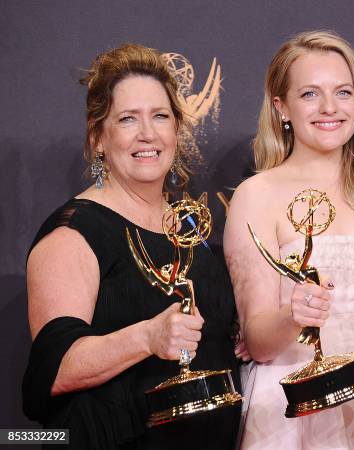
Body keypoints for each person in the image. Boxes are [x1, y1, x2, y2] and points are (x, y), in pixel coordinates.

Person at [23, 43, 241, 449]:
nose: (148, 134)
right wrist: (147, 337)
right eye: (127, 119)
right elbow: (49, 372)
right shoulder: (73, 234)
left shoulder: (187, 226)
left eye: (160, 116)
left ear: (176, 129)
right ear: (98, 138)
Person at [224, 31, 354, 449]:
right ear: (282, 107)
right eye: (310, 93)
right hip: (295, 405)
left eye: (343, 92)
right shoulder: (256, 195)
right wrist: (292, 316)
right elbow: (258, 340)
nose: (330, 108)